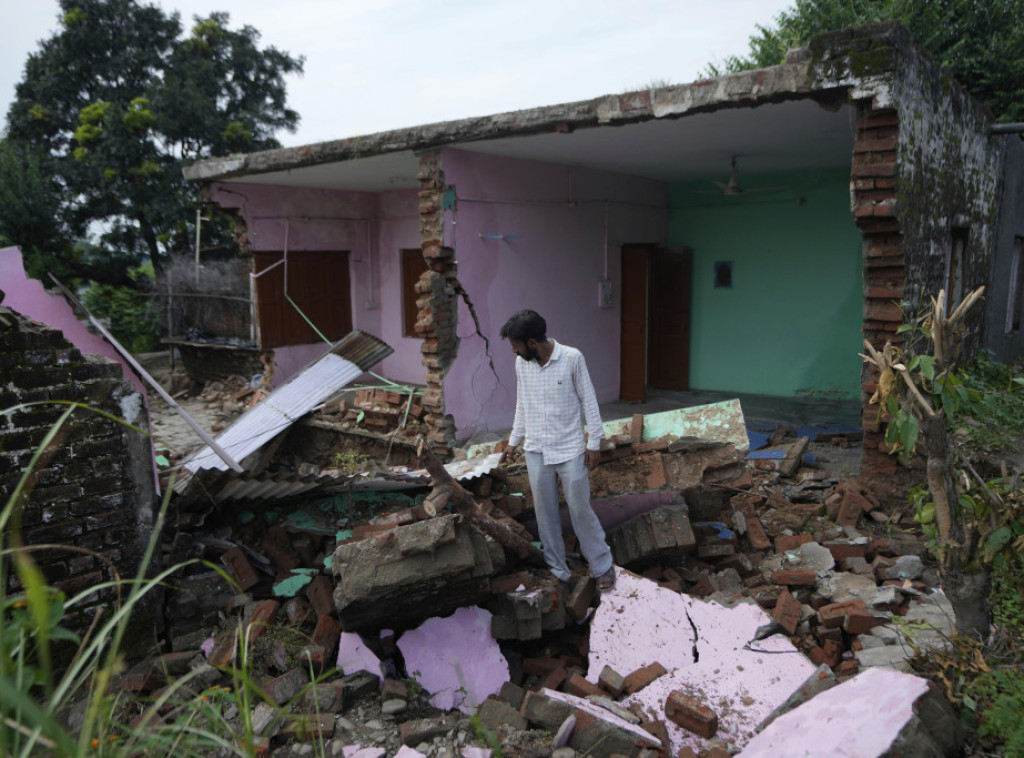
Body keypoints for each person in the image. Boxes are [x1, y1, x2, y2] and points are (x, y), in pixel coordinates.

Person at [497, 310, 616, 591]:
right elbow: (522, 403)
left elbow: (589, 401)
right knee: (545, 514)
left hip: (571, 449)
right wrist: (515, 440)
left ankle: (601, 566)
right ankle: (558, 571)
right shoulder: (521, 364)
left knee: (580, 509)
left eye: (516, 344)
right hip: (536, 449)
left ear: (532, 342)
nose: (513, 350)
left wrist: (594, 443)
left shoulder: (572, 358)